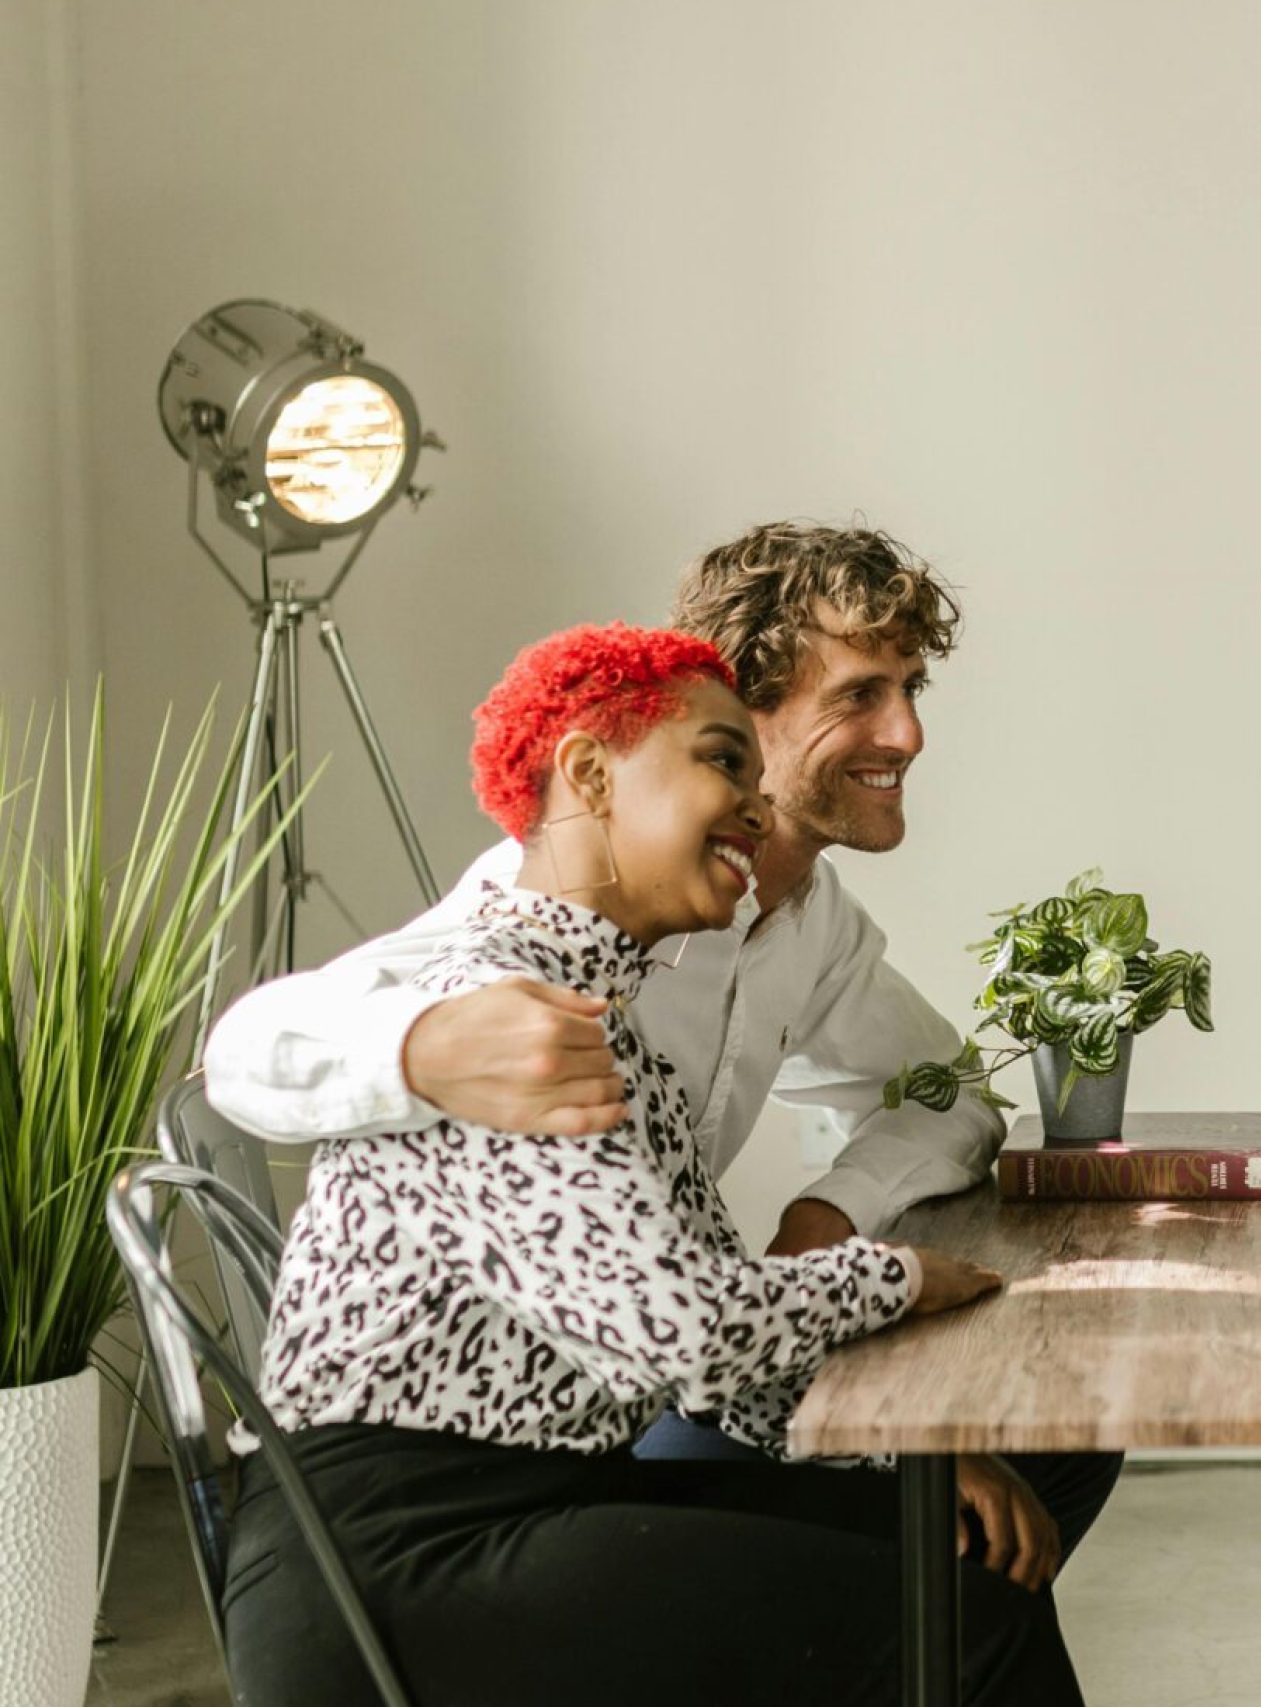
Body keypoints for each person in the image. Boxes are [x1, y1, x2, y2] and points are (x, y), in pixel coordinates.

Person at [203, 520, 1115, 1553]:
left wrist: (826, 1218)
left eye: (910, 691)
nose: (907, 734)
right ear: (740, 713)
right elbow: (240, 1052)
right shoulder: (548, 922)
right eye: (860, 694)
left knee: (1059, 1437)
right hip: (570, 1425)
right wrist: (425, 1050)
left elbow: (951, 1096)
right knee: (941, 1522)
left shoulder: (815, 924)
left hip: (684, 1353)